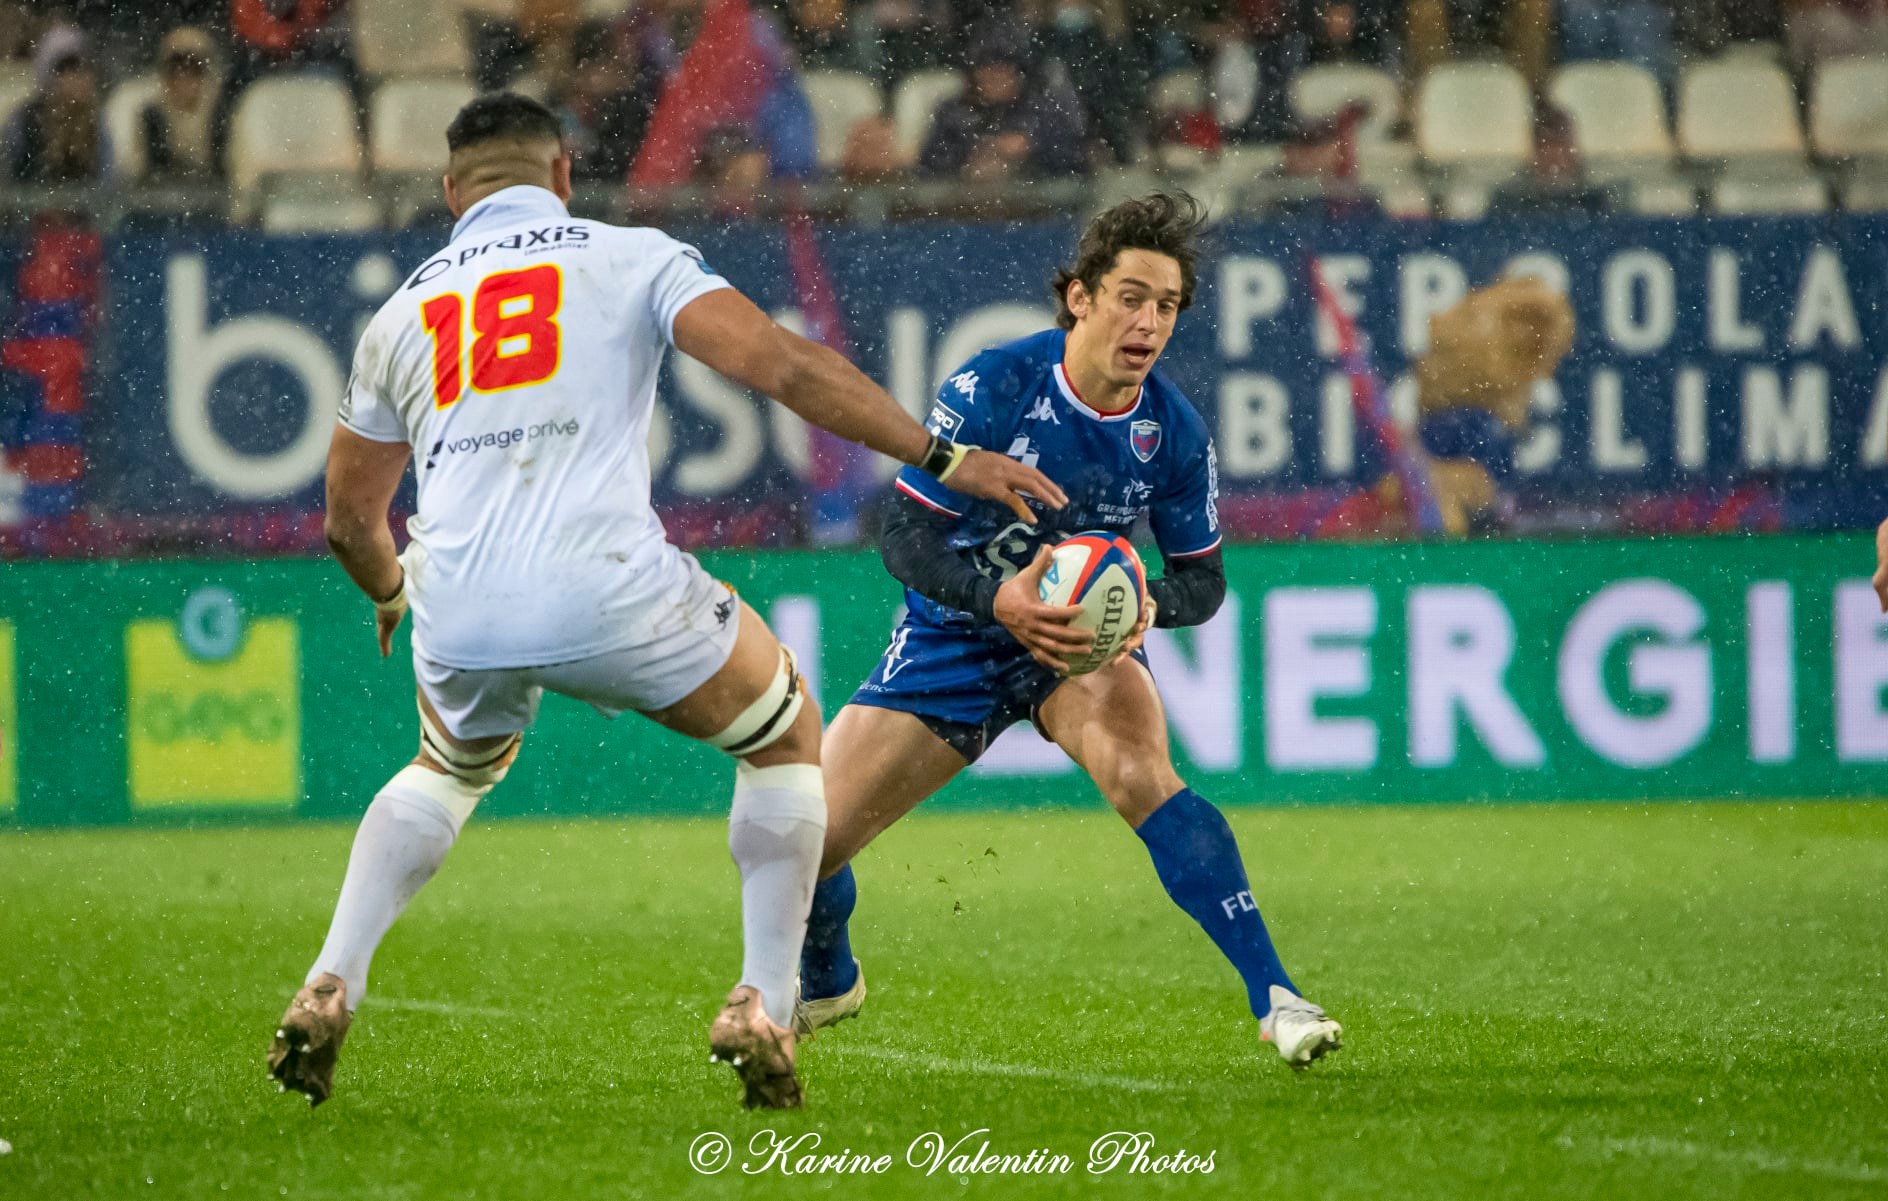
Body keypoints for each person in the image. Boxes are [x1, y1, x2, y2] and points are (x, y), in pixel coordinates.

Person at [263, 92, 1059, 1111]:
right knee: (783, 735)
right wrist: (941, 454)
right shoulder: (626, 253)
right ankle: (762, 1005)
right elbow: (776, 363)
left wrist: (387, 588)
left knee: (445, 769)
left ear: (449, 193)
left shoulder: (399, 314)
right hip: (606, 583)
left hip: (457, 600)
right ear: (560, 176)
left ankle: (333, 978)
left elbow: (346, 516)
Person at [791, 193, 1345, 1070]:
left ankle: (1276, 995)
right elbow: (901, 532)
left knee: (1143, 776)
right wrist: (996, 598)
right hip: (956, 636)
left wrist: (1146, 605)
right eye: (1130, 295)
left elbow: (1203, 581)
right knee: (804, 842)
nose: (1148, 321)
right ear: (1079, 297)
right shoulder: (995, 386)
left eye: (1166, 305)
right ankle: (827, 977)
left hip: (1079, 651)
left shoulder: (1174, 435)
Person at [918, 18, 1088, 180]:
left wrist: (1031, 147)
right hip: (965, 205)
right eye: (986, 72)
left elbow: (1074, 161)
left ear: (1017, 74)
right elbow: (929, 169)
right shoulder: (954, 113)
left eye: (1002, 72)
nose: (994, 80)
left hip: (1034, 205)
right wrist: (972, 154)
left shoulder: (1041, 110)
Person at [3, 27, 113, 185]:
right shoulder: (23, 122)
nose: (77, 76)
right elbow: (10, 186)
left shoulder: (99, 123)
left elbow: (108, 189)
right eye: (66, 68)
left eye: (83, 67)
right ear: (48, 76)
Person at [138, 27, 221, 184]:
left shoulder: (220, 119)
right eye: (176, 68)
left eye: (194, 68)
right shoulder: (151, 117)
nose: (184, 77)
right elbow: (140, 177)